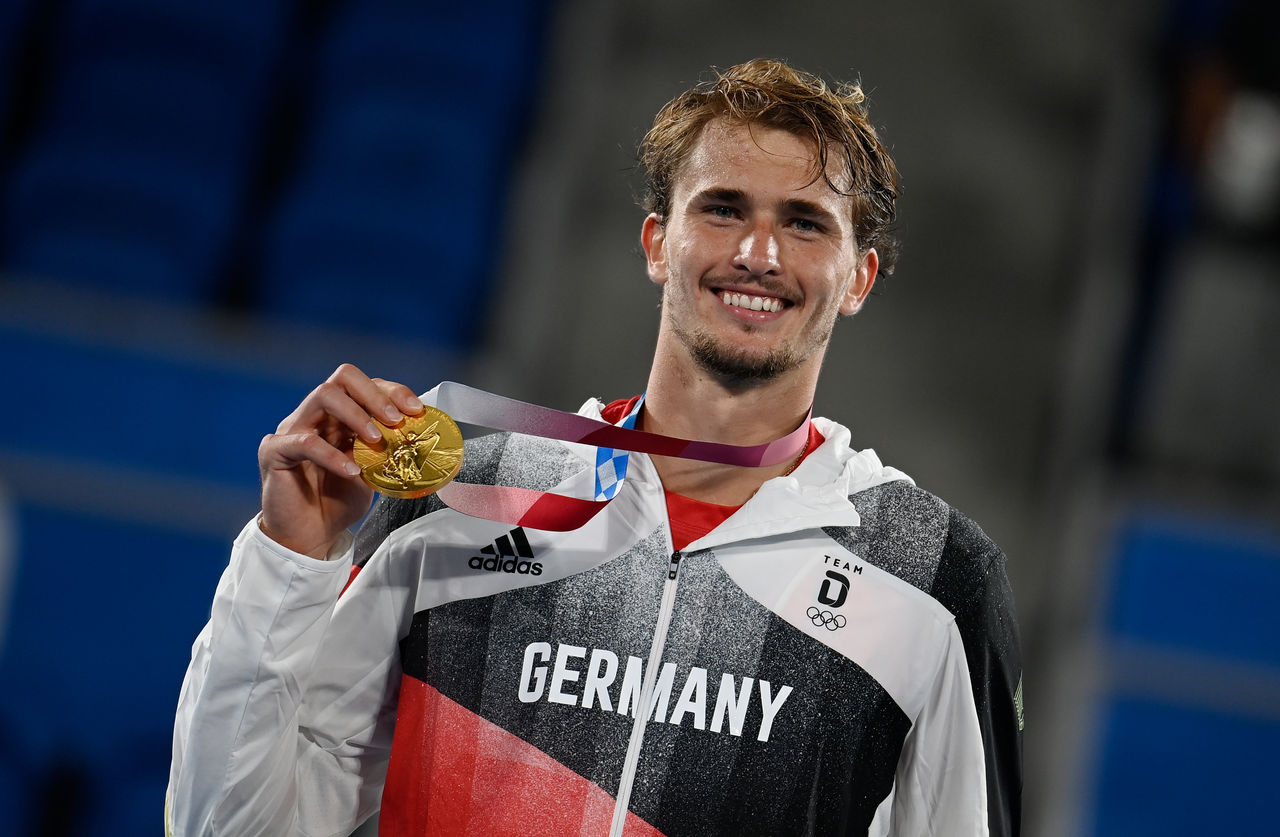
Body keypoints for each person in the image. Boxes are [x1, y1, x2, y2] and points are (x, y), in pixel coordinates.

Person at [168, 58, 1022, 836]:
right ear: (658, 244)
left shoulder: (932, 573)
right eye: (722, 208)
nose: (759, 253)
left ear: (859, 277)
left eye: (805, 224)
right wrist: (288, 558)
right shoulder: (464, 489)